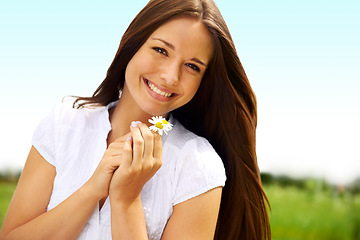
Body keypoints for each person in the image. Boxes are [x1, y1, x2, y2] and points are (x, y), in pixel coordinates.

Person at [0, 0, 271, 239]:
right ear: (133, 43)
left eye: (192, 66)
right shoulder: (66, 122)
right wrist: (93, 190)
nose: (170, 76)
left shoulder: (198, 164)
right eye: (161, 50)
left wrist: (126, 199)